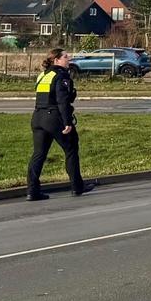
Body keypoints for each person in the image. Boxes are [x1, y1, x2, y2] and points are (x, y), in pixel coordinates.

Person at [28, 48, 93, 200]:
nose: (68, 59)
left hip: (37, 117)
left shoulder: (43, 75)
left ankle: (32, 191)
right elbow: (62, 101)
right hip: (54, 118)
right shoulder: (61, 76)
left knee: (38, 154)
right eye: (65, 57)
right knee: (71, 149)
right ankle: (77, 187)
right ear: (56, 60)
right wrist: (67, 122)